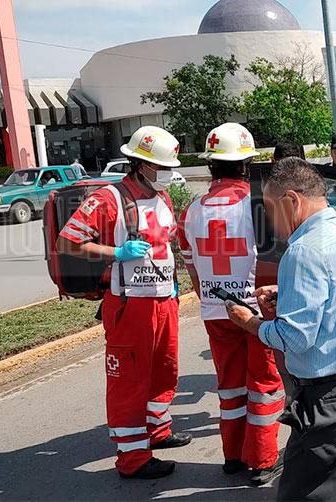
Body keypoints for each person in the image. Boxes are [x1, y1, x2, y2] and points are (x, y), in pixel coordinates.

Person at [226, 157, 336, 501]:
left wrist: (252, 324)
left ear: (292, 200)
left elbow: (295, 338)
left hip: (333, 395)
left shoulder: (303, 251)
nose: (272, 223)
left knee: (307, 492)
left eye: (272, 210)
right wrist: (287, 294)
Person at [56, 126, 191, 479]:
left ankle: (157, 433)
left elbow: (169, 244)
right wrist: (116, 252)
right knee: (129, 380)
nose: (167, 174)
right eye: (162, 167)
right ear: (141, 164)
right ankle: (132, 459)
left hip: (164, 301)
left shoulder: (162, 198)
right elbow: (67, 242)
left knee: (165, 371)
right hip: (130, 304)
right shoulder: (107, 199)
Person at [177, 123, 286, 486]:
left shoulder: (192, 209)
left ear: (211, 166)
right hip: (255, 311)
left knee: (230, 386)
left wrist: (210, 296)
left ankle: (233, 456)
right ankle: (261, 459)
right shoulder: (258, 205)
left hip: (214, 309)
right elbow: (275, 260)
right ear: (246, 164)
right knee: (264, 384)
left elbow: (191, 266)